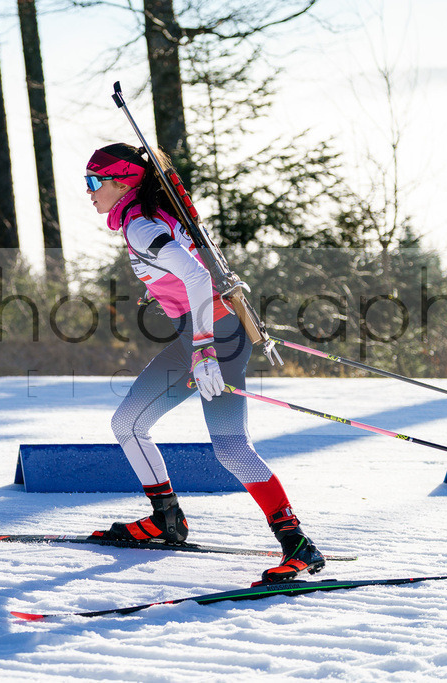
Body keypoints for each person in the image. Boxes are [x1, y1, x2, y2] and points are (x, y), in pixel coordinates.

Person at [84, 142, 325, 584]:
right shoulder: (153, 215)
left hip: (216, 338)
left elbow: (195, 276)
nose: (89, 191)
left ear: (123, 181)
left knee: (231, 447)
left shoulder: (140, 223)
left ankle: (299, 545)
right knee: (128, 423)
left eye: (94, 181)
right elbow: (189, 268)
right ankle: (166, 519)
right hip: (201, 333)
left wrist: (203, 350)